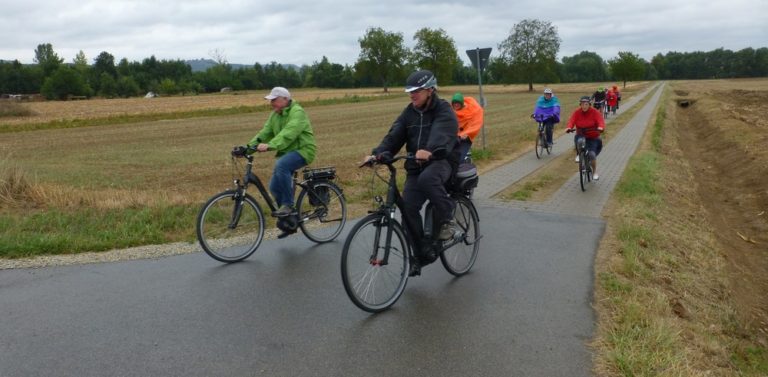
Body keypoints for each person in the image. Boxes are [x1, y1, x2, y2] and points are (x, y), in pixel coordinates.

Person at [363, 70, 460, 275]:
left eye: (416, 91)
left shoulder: (443, 110)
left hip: (441, 161)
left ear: (430, 90)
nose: (412, 95)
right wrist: (377, 154)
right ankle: (420, 254)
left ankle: (447, 216)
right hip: (415, 166)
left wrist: (430, 150)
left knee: (428, 179)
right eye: (410, 91)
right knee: (407, 209)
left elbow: (442, 133)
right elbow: (394, 135)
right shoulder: (409, 112)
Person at [232, 86, 317, 236]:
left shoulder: (297, 112)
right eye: (270, 101)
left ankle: (288, 206)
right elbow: (264, 133)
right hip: (287, 152)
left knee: (281, 165)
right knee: (274, 187)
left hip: (304, 150)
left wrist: (271, 145)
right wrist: (247, 148)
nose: (271, 103)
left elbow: (288, 133)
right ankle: (288, 221)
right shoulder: (275, 116)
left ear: (285, 99)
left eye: (274, 100)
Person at [566, 96, 605, 180]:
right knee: (579, 140)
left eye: (586, 104)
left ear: (589, 104)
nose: (584, 106)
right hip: (581, 134)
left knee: (592, 155)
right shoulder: (577, 112)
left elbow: (600, 121)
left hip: (592, 137)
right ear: (580, 104)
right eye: (582, 104)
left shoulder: (595, 112)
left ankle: (594, 172)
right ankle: (579, 154)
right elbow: (572, 120)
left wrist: (600, 127)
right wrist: (569, 127)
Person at [451, 92, 484, 162]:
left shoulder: (468, 113)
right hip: (452, 139)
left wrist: (466, 134)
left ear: (461, 103)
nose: (456, 105)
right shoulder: (450, 112)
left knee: (460, 158)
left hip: (464, 139)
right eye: (454, 103)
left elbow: (472, 125)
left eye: (458, 103)